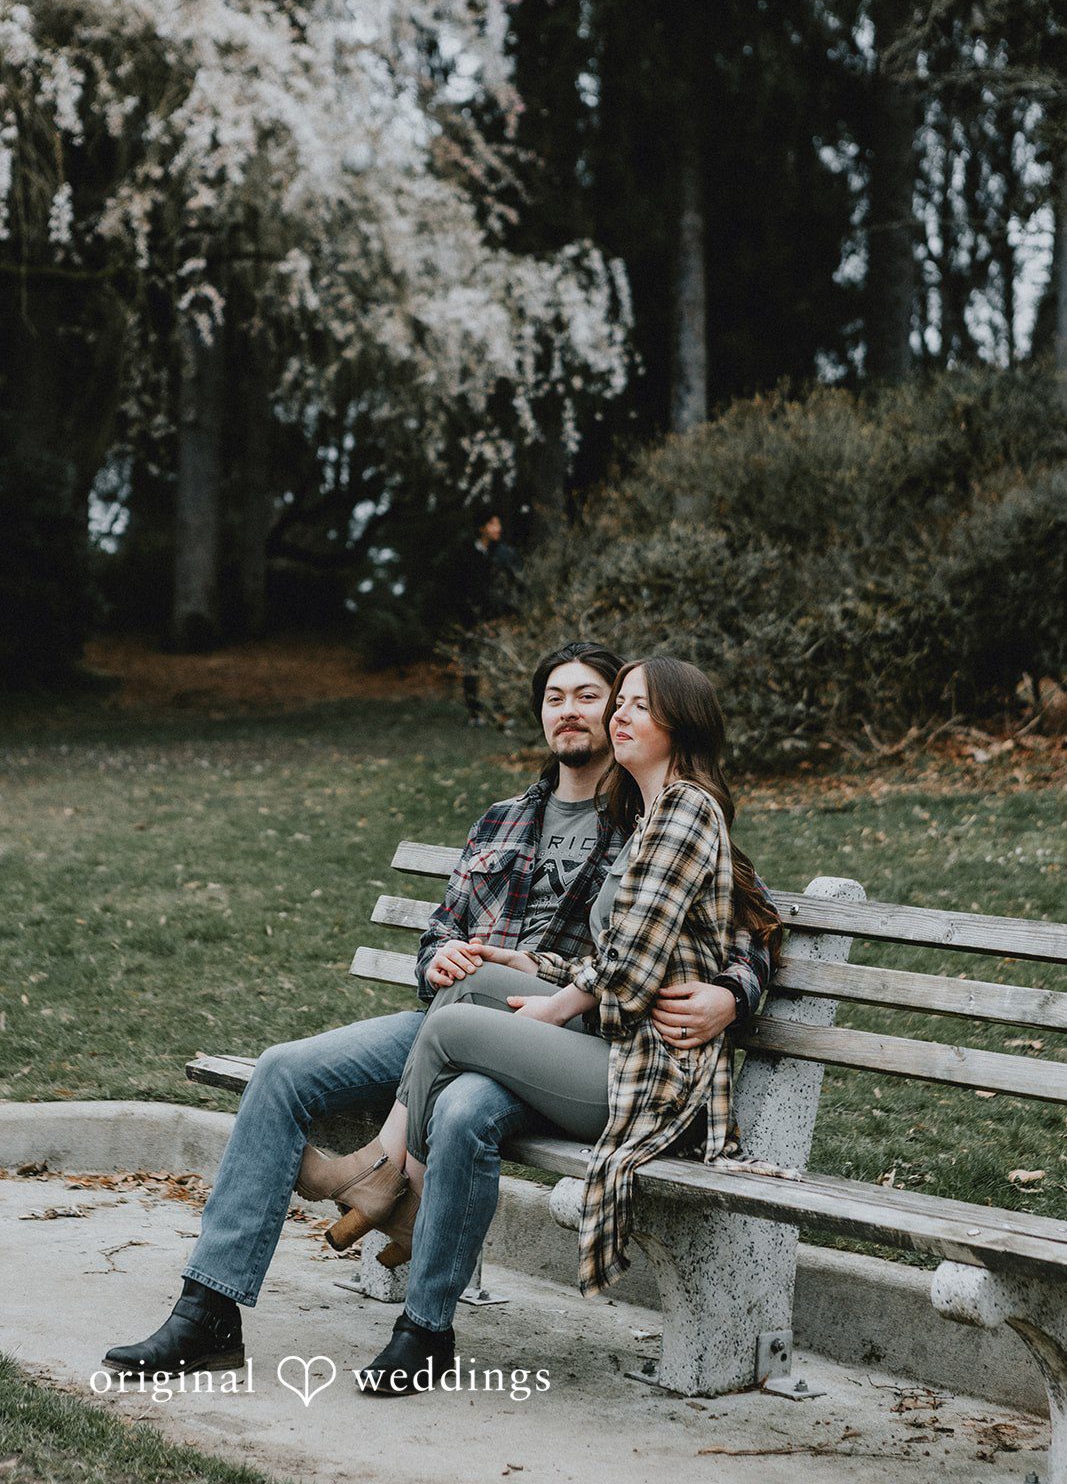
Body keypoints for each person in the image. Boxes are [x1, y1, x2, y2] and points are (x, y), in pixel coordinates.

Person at [102, 643, 771, 1381]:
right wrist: (445, 959)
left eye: (593, 695)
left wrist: (730, 995)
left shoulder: (648, 810)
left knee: (462, 1111)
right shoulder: (503, 820)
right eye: (556, 697)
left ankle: (408, 1272)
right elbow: (440, 933)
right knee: (283, 1070)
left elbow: (740, 928)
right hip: (477, 1012)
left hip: (565, 1040)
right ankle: (208, 1311)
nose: (575, 711)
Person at [351, 657, 782, 1394]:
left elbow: (631, 970)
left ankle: (391, 1181)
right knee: (472, 985)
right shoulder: (649, 816)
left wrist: (555, 1005)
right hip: (609, 1054)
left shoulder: (686, 812)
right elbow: (609, 955)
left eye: (637, 707)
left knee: (450, 1031)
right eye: (621, 703)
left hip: (650, 1078)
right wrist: (518, 967)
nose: (618, 715)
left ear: (678, 722)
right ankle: (395, 1208)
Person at [459, 511, 521, 725]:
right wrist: (475, 619)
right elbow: (462, 590)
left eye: (498, 523)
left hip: (500, 619)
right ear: (481, 527)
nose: (498, 528)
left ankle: (502, 711)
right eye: (492, 523)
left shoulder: (506, 554)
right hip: (472, 620)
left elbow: (512, 588)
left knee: (502, 665)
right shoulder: (467, 554)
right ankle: (475, 712)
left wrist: (503, 617)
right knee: (471, 665)